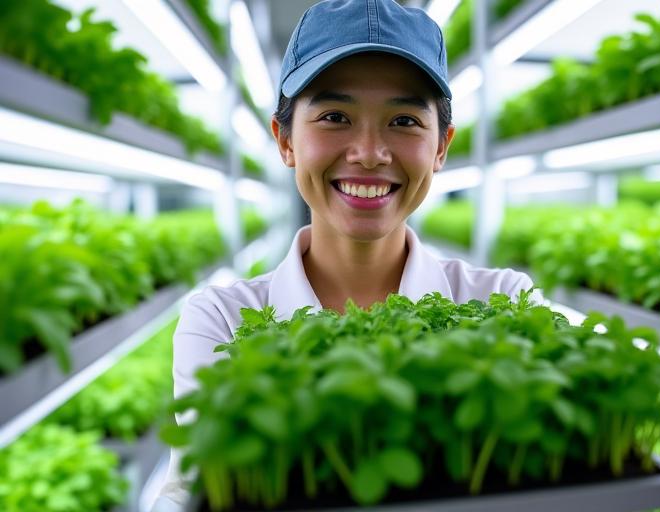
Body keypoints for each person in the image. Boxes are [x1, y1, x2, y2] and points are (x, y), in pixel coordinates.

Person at [154, 0, 539, 507]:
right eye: (335, 116)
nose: (370, 152)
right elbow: (196, 486)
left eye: (404, 121)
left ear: (442, 147)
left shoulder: (502, 301)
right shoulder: (222, 322)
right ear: (285, 139)